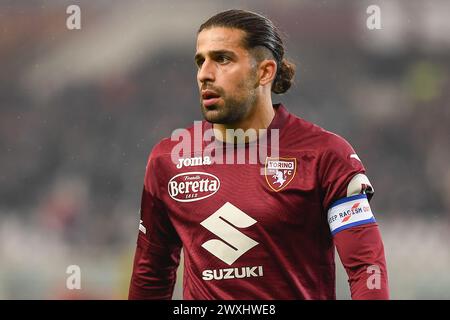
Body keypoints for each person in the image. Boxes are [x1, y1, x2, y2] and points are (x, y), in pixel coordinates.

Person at [129, 9, 389, 300]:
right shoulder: (169, 160)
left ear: (264, 72)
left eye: (222, 59)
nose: (204, 74)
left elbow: (366, 268)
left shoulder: (325, 155)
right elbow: (150, 275)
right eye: (200, 61)